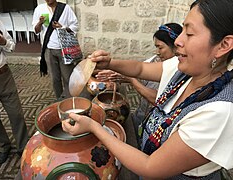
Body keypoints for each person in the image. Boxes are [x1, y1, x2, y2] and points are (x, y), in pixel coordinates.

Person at [62, 0, 233, 179]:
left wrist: (94, 127)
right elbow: (141, 69)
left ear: (224, 45)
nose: (179, 40)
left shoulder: (219, 111)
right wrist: (110, 63)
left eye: (189, 33)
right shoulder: (187, 67)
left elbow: (149, 166)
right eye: (182, 30)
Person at [96, 23, 182, 146]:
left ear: (174, 46)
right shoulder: (156, 60)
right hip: (141, 115)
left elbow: (156, 99)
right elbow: (138, 70)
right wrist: (116, 71)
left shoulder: (179, 71)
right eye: (156, 47)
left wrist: (131, 79)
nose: (157, 52)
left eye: (160, 47)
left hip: (157, 128)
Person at [0, 15, 28, 164]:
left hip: (2, 74)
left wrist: (3, 41)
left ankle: (24, 146)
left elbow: (12, 46)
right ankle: (3, 145)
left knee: (16, 113)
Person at [32, 0, 79, 100]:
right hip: (48, 49)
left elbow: (75, 25)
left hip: (65, 49)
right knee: (55, 79)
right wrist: (40, 23)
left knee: (68, 77)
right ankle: (59, 100)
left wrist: (62, 27)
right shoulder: (39, 9)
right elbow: (36, 30)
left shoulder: (65, 8)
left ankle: (70, 100)